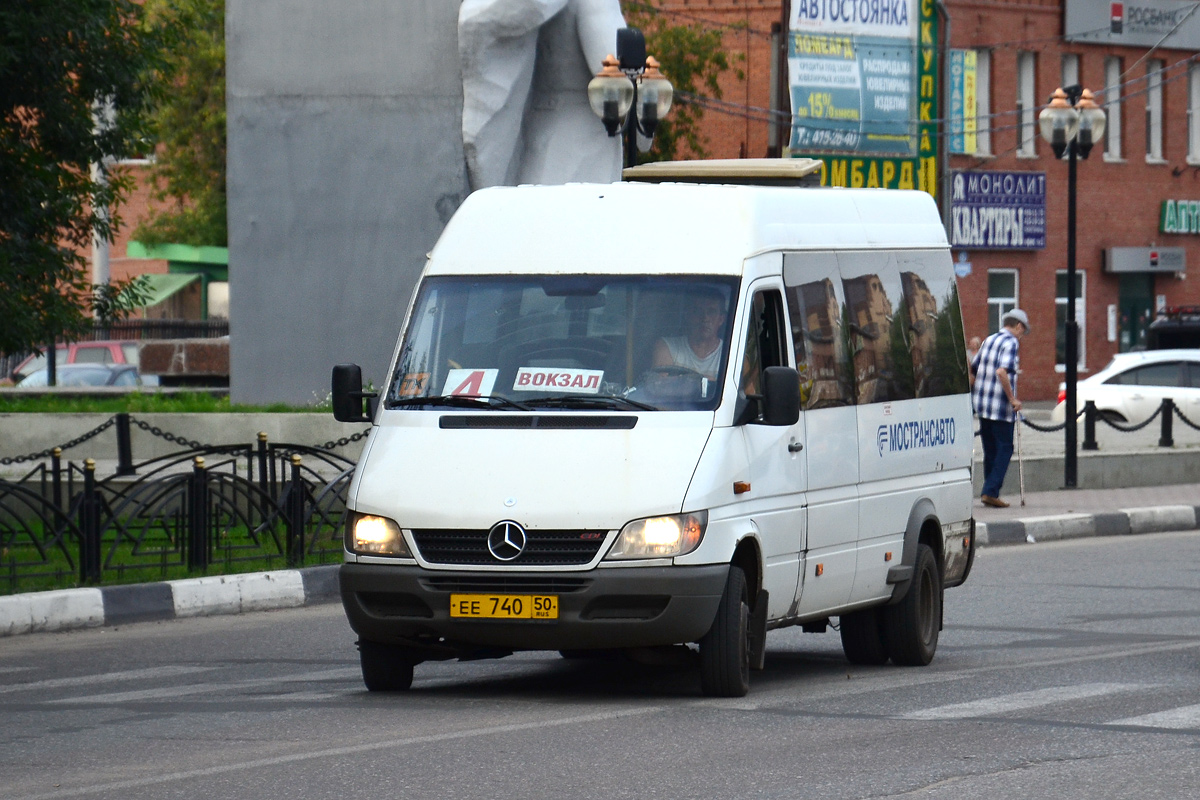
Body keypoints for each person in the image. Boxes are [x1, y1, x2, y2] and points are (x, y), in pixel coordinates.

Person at [970, 309, 1028, 508]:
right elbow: (1002, 371)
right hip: (1000, 408)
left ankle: (989, 492)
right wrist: (1012, 399)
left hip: (983, 405)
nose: (1022, 336)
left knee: (990, 450)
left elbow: (974, 367)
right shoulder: (1011, 342)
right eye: (1023, 331)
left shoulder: (989, 340)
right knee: (1005, 448)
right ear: (1018, 326)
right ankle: (990, 491)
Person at [652, 291, 728, 381]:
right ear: (688, 316)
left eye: (711, 312)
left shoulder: (731, 354)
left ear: (721, 319)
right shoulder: (667, 347)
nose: (705, 318)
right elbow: (659, 387)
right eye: (698, 311)